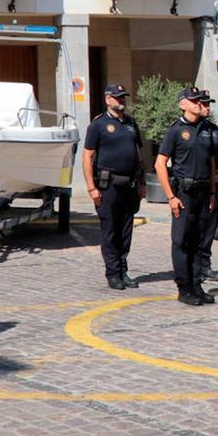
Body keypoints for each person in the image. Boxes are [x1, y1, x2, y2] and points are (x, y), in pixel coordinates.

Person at [155, 86, 218, 306]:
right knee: (182, 242)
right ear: (183, 104)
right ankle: (184, 288)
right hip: (184, 192)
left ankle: (196, 284)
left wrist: (213, 191)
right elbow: (160, 163)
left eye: (199, 101)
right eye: (194, 101)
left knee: (198, 241)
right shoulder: (175, 130)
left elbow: (212, 163)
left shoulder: (206, 129)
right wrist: (170, 196)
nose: (199, 104)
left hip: (204, 192)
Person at [82, 83, 146, 290]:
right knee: (110, 230)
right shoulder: (98, 125)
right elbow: (87, 156)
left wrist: (142, 181)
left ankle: (123, 270)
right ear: (107, 99)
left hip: (129, 185)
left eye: (123, 98)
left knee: (126, 230)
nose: (121, 101)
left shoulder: (130, 123)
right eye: (117, 98)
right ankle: (112, 273)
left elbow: (138, 154)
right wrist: (91, 187)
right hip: (107, 185)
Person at [195, 94, 218, 285]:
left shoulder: (213, 130)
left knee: (209, 226)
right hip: (193, 186)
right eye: (204, 104)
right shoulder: (187, 129)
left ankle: (205, 265)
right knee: (195, 228)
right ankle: (194, 266)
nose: (207, 107)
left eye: (208, 104)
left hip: (211, 185)